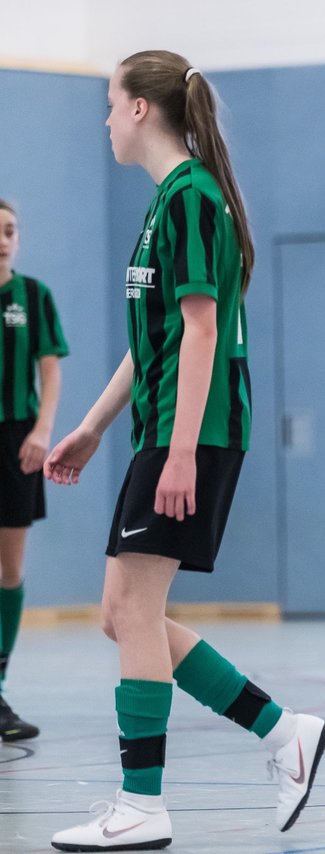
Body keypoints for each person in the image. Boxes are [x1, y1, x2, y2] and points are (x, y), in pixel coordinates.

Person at [45, 51, 325, 850]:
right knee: (122, 615)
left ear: (140, 110)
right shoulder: (167, 202)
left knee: (133, 609)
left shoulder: (193, 198)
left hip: (191, 434)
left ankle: (143, 804)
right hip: (165, 429)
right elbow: (161, 337)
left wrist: (177, 453)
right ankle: (285, 733)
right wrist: (97, 425)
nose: (103, 120)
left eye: (109, 105)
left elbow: (201, 330)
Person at [0, 197, 69, 743]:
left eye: (10, 230)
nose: (3, 238)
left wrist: (42, 432)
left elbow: (50, 371)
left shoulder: (34, 296)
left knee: (9, 569)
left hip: (16, 439)